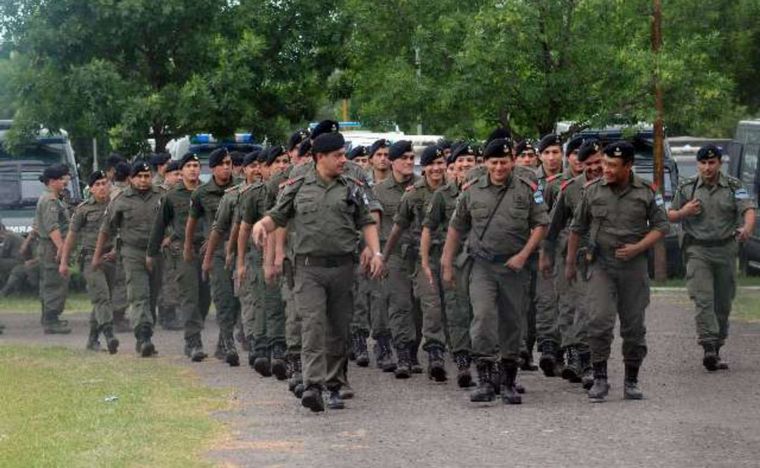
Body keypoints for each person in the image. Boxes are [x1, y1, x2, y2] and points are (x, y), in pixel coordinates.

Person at [251, 127, 384, 412]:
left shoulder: (351, 186)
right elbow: (278, 215)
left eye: (343, 154)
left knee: (338, 329)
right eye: (337, 155)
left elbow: (367, 221)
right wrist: (261, 225)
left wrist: (375, 252)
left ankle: (334, 384)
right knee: (312, 325)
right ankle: (312, 385)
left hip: (343, 268)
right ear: (319, 157)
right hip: (308, 269)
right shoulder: (297, 185)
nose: (342, 160)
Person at [442, 138, 549, 405]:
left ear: (512, 162)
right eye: (494, 162)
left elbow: (540, 224)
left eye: (504, 162)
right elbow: (456, 228)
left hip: (514, 267)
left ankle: (509, 381)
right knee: (483, 318)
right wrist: (446, 262)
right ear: (485, 163)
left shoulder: (527, 188)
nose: (499, 167)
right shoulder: (471, 189)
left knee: (512, 322)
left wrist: (524, 255)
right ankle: (486, 380)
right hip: (482, 265)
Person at [566, 141, 670, 402]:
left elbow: (662, 226)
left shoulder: (647, 191)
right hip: (601, 264)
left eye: (612, 165)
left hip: (633, 268)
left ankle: (631, 379)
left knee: (634, 327)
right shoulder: (592, 191)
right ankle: (600, 378)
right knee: (599, 320)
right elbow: (577, 228)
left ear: (629, 166)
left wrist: (639, 247)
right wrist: (569, 264)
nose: (606, 169)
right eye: (604, 164)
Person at [668, 144, 756, 371]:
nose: (707, 167)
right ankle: (708, 345)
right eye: (703, 163)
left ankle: (716, 347)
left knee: (723, 303)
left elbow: (748, 209)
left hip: (726, 249)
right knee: (703, 298)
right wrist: (684, 212)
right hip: (698, 250)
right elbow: (669, 215)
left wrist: (746, 228)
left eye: (712, 163)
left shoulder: (733, 186)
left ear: (719, 163)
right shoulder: (687, 187)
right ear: (698, 164)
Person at [539, 139, 604, 388]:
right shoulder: (564, 188)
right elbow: (550, 226)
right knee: (569, 307)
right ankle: (575, 356)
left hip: (602, 258)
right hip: (569, 256)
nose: (591, 165)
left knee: (593, 310)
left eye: (598, 161)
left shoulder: (611, 185)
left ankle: (588, 357)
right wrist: (545, 255)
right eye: (577, 156)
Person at [383, 145, 448, 381]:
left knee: (429, 307)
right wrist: (383, 257)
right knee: (403, 305)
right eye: (431, 164)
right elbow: (397, 227)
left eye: (440, 163)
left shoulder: (454, 191)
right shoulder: (412, 193)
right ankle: (404, 354)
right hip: (409, 256)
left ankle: (431, 354)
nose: (436, 168)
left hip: (442, 255)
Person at [94, 160, 162, 356]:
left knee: (153, 296)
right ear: (131, 179)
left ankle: (147, 332)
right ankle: (144, 338)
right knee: (139, 294)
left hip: (157, 252)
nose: (143, 180)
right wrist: (97, 256)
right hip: (132, 252)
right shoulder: (120, 200)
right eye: (139, 176)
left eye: (146, 176)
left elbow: (174, 222)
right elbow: (106, 229)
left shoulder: (162, 196)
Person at [148, 153, 212, 361]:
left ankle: (195, 330)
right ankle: (193, 341)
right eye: (189, 166)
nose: (193, 169)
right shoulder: (171, 196)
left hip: (207, 250)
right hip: (183, 252)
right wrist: (151, 253)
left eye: (196, 165)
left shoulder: (208, 192)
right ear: (181, 171)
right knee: (189, 296)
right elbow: (159, 226)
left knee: (205, 296)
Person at [185, 147, 239, 365]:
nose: (227, 167)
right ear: (213, 168)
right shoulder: (201, 193)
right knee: (223, 298)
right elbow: (192, 222)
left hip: (238, 250)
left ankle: (221, 343)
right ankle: (229, 344)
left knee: (238, 302)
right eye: (222, 164)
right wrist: (188, 247)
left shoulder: (241, 187)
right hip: (215, 252)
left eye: (229, 163)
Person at [374, 140, 422, 378]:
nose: (409, 162)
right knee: (400, 304)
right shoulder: (379, 191)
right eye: (404, 158)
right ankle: (402, 353)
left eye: (412, 158)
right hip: (393, 254)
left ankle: (414, 351)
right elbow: (371, 225)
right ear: (392, 161)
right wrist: (376, 256)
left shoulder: (423, 187)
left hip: (420, 253)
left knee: (420, 306)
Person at [59, 171, 119, 353]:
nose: (102, 187)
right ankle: (109, 335)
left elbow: (123, 231)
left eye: (104, 183)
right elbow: (71, 237)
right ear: (91, 189)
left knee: (103, 300)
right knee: (101, 297)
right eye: (97, 184)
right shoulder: (83, 209)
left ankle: (93, 339)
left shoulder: (117, 207)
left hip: (110, 258)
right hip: (90, 260)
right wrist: (63, 262)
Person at [534, 133, 564, 376]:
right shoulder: (531, 180)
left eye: (556, 152)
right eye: (547, 153)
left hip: (565, 248)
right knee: (545, 300)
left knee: (566, 300)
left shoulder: (569, 179)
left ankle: (566, 348)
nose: (552, 157)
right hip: (540, 249)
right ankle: (547, 347)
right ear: (540, 156)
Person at [34, 165, 71, 334]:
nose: (63, 182)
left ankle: (49, 318)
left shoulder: (51, 198)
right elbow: (52, 228)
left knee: (49, 283)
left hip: (48, 247)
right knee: (55, 283)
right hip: (51, 247)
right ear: (51, 182)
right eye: (59, 179)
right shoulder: (49, 201)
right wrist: (61, 249)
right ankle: (51, 321)